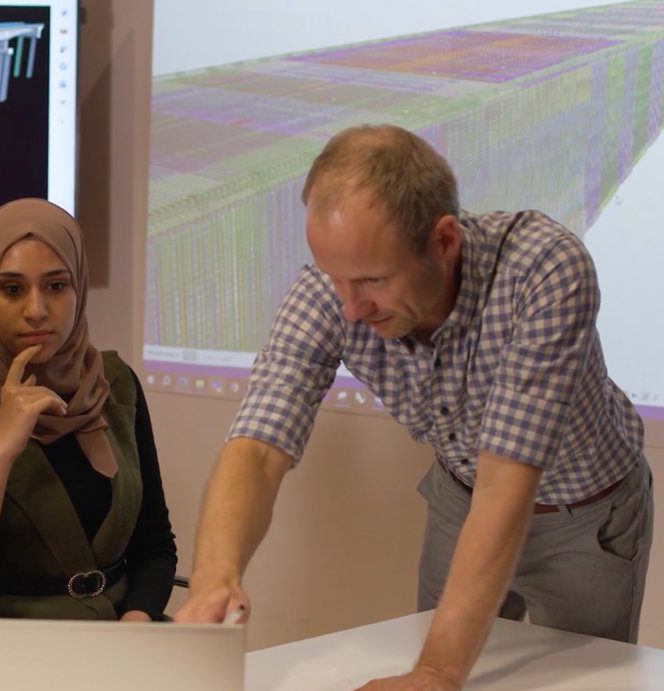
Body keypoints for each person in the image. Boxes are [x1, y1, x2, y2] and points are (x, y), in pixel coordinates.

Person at [176, 125, 654, 689]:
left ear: (444, 240)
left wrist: (436, 671)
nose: (351, 309)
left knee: (580, 681)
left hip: (585, 517)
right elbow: (257, 449)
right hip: (461, 494)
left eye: (373, 280)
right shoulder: (333, 294)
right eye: (335, 279)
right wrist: (214, 577)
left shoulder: (544, 268)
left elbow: (506, 485)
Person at [0, 198, 176, 622]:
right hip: (7, 641)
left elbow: (155, 545)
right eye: (12, 289)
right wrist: (1, 451)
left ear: (79, 288)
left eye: (56, 286)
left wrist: (137, 622)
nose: (36, 311)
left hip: (119, 633)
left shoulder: (115, 384)